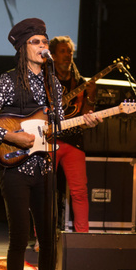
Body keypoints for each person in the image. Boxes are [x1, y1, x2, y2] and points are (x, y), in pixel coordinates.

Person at [0, 18, 99, 270]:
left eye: (44, 41)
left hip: (44, 166)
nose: (43, 46)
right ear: (22, 48)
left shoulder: (53, 83)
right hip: (14, 166)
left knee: (49, 237)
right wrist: (9, 135)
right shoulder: (8, 81)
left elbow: (53, 128)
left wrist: (84, 120)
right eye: (36, 42)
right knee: (19, 236)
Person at [50, 35, 93, 233]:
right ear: (52, 55)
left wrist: (91, 104)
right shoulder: (44, 81)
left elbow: (86, 115)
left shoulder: (82, 84)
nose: (68, 56)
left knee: (80, 192)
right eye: (63, 52)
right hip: (47, 141)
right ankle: (43, 237)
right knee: (45, 191)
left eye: (70, 52)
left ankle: (82, 236)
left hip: (74, 141)